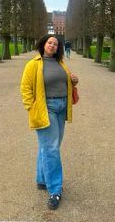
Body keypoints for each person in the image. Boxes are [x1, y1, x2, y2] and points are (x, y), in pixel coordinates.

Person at [20, 35, 78, 210]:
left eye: (55, 44)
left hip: (61, 107)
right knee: (51, 148)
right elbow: (25, 88)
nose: (53, 45)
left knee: (49, 146)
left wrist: (73, 81)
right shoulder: (33, 64)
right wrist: (32, 108)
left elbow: (66, 82)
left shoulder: (61, 63)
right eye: (50, 42)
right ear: (43, 44)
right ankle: (55, 189)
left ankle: (42, 180)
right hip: (47, 108)